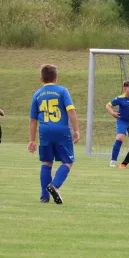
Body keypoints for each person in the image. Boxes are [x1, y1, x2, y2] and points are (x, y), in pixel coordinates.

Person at [28, 64, 80, 204]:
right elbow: (71, 111)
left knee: (46, 162)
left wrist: (32, 140)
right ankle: (54, 185)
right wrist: (76, 130)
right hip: (61, 130)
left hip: (45, 132)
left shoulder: (37, 94)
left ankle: (44, 196)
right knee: (68, 161)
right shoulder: (62, 91)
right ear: (56, 78)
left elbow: (33, 120)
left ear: (41, 79)